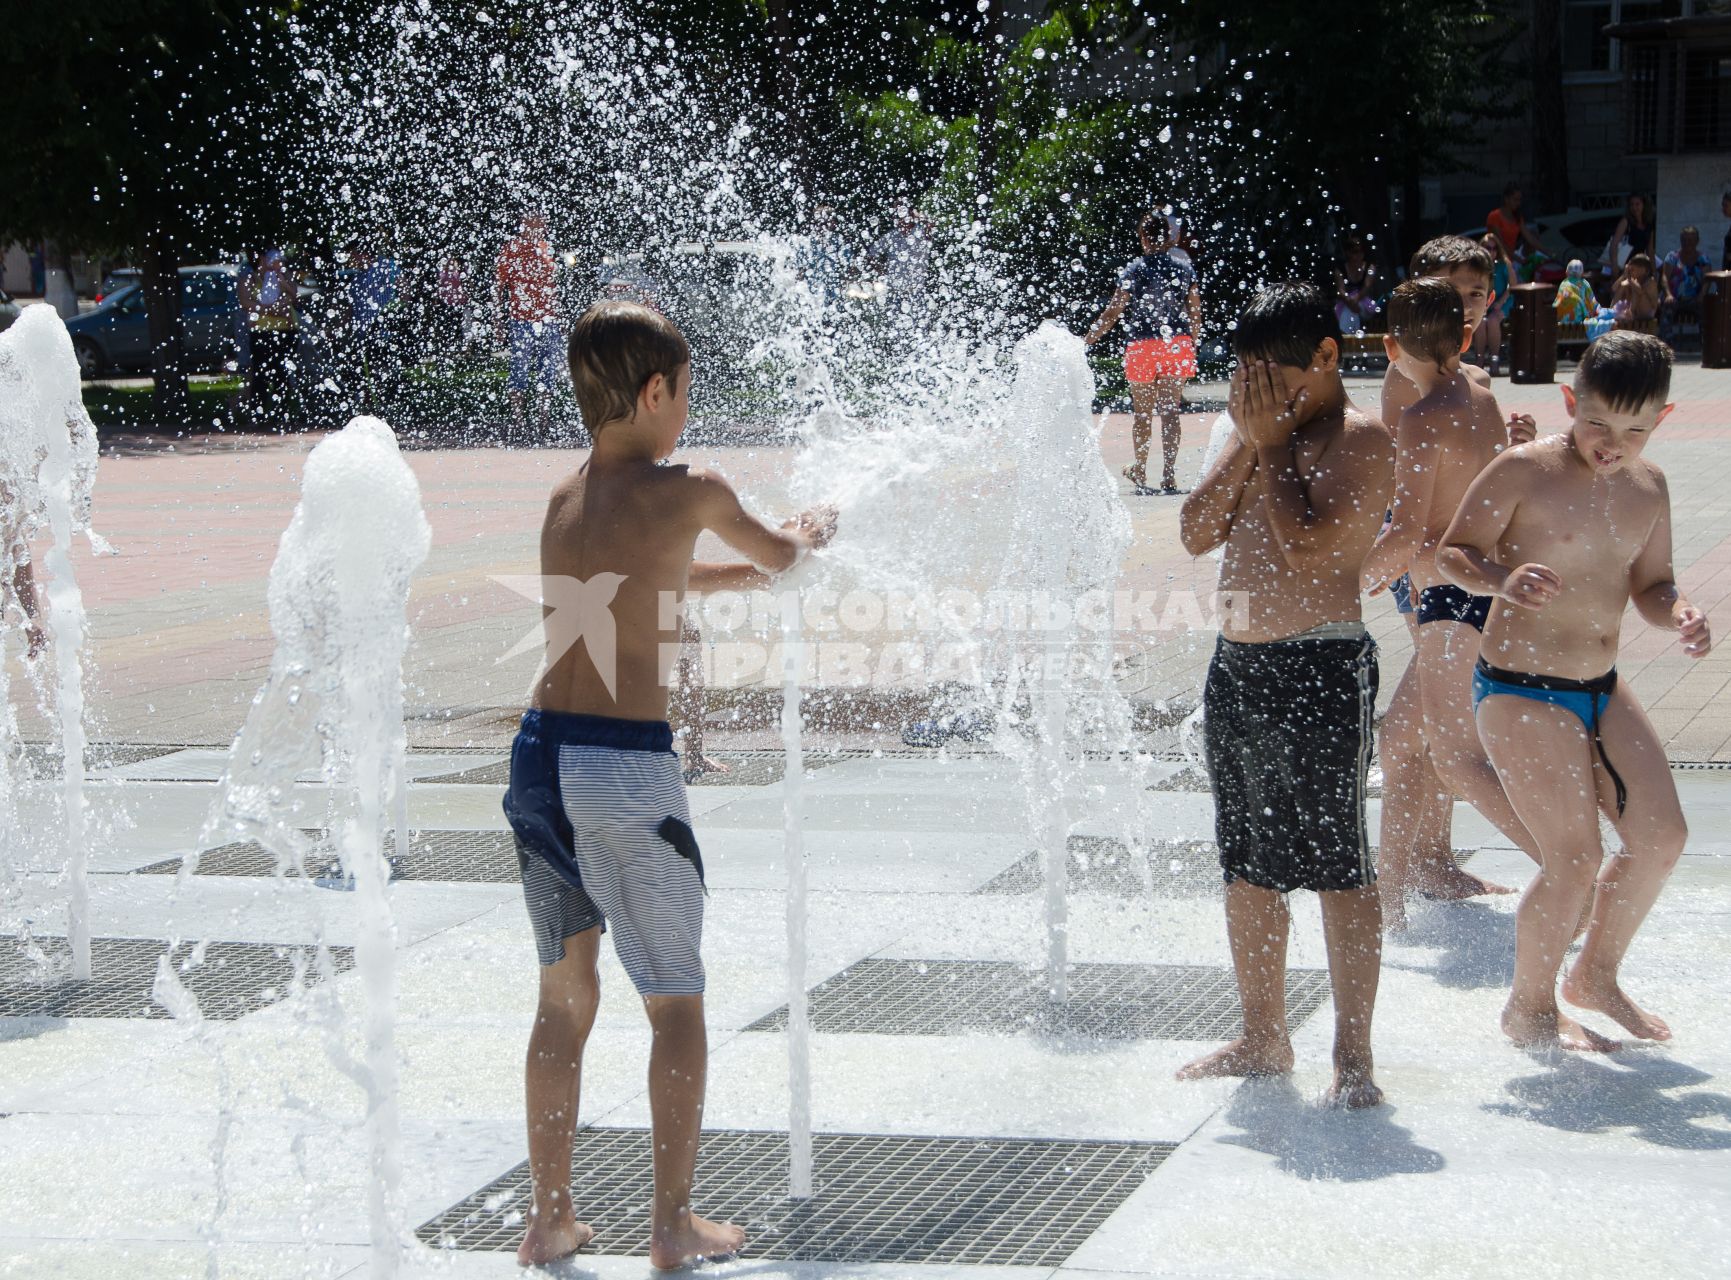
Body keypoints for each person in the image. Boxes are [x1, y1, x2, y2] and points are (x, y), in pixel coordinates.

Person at [501, 299, 834, 1267]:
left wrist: (747, 570)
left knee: (564, 1000)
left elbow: (647, 582)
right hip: (621, 768)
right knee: (674, 999)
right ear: (656, 391)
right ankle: (671, 1224)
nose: (687, 411)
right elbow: (785, 560)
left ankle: (550, 1215)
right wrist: (807, 532)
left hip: (538, 759)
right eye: (685, 392)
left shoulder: (567, 498)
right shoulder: (694, 485)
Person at [1437, 332, 1708, 1051]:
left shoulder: (1648, 487)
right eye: (1596, 423)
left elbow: (1651, 587)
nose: (1611, 443)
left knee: (1660, 838)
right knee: (1574, 859)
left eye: (1633, 429)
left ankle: (1593, 975)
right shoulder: (1523, 471)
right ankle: (1527, 1009)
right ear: (1568, 401)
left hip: (1599, 683)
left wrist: (1677, 613)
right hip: (1519, 687)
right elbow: (1452, 551)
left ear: (1662, 419)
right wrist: (1500, 578)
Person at [1175, 282, 1394, 1108]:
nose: (1259, 398)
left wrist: (1266, 445)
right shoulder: (1255, 433)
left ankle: (1353, 1053)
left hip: (1321, 668)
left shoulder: (1363, 443)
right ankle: (1263, 1035)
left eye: (1275, 381)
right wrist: (1251, 440)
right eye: (1247, 381)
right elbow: (1195, 535)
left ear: (1327, 357)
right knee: (1246, 867)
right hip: (1237, 669)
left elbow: (1309, 552)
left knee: (1341, 867)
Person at [1362, 277, 1545, 904]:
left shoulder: (1420, 416)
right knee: (1398, 742)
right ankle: (1389, 904)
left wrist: (1351, 578)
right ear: (1464, 338)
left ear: (1391, 347)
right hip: (1478, 595)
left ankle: (1574, 871)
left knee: (1457, 761)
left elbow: (1410, 530)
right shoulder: (1481, 397)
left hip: (1446, 600)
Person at [1083, 204, 1203, 496]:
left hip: (1141, 347)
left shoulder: (1134, 270)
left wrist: (1087, 340)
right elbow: (1195, 312)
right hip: (1176, 344)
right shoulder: (1184, 268)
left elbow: (1113, 312)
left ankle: (1139, 468)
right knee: (1170, 412)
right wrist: (1192, 343)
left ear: (1143, 238)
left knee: (1143, 414)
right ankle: (1169, 475)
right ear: (1169, 238)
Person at [496, 212, 564, 439]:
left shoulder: (547, 248)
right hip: (521, 320)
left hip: (548, 319)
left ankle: (543, 422)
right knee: (519, 370)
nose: (539, 228)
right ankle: (519, 422)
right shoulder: (511, 249)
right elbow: (498, 286)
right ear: (524, 225)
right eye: (534, 224)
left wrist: (558, 316)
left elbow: (553, 287)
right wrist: (498, 320)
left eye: (542, 224)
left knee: (548, 370)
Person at [236, 248, 300, 423]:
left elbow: (294, 297)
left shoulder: (284, 276)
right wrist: (272, 311)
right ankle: (258, 414)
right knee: (261, 373)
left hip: (286, 330)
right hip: (261, 331)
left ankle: (282, 413)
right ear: (262, 259)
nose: (276, 262)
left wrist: (283, 281)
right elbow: (245, 301)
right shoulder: (249, 278)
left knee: (283, 372)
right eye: (272, 259)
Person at [346, 242, 399, 412]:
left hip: (382, 327)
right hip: (362, 330)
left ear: (363, 255)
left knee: (380, 367)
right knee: (364, 368)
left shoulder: (385, 267)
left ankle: (384, 401)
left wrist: (394, 313)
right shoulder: (357, 277)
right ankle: (369, 402)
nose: (351, 260)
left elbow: (404, 289)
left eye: (354, 255)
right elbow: (352, 307)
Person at [1470, 234, 1513, 376]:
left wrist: (1500, 303)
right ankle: (1480, 359)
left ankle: (1495, 360)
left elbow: (1512, 286)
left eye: (1494, 248)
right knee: (1481, 322)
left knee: (1493, 320)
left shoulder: (1503, 264)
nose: (1491, 251)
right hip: (1483, 303)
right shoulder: (1476, 266)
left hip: (1503, 301)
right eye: (1488, 248)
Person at [1660, 225, 1712, 337]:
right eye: (1685, 240)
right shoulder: (1672, 257)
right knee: (1666, 308)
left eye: (1691, 240)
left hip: (1695, 298)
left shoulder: (1703, 258)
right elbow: (1664, 277)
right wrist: (1668, 294)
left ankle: (1706, 344)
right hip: (1675, 298)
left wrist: (1702, 295)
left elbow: (1707, 280)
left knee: (1707, 309)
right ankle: (1666, 343)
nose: (1688, 243)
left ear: (1697, 241)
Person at [1486, 182, 1546, 266]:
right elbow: (1500, 244)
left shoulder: (1517, 218)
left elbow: (1531, 239)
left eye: (1520, 200)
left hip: (1509, 262)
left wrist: (1549, 253)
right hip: (1495, 262)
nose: (1518, 203)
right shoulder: (1494, 216)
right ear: (1506, 199)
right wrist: (1520, 260)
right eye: (1515, 199)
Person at [1333, 236, 1381, 336]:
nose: (1359, 255)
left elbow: (1366, 287)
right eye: (1355, 252)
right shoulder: (1340, 269)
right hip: (1346, 303)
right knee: (1351, 311)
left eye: (1361, 251)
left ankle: (1346, 337)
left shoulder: (1369, 267)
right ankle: (1352, 337)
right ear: (1348, 253)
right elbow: (1341, 291)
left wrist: (1354, 301)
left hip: (1366, 305)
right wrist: (1350, 302)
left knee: (1353, 309)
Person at [1603, 192, 1655, 280]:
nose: (1634, 207)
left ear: (1644, 205)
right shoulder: (1626, 222)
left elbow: (1650, 250)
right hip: (1625, 267)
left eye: (1637, 204)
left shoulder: (1649, 225)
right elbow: (1614, 244)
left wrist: (1653, 271)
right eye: (1632, 204)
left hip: (1640, 267)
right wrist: (1614, 265)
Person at [1612, 253, 1661, 332]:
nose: (1633, 272)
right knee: (1623, 286)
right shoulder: (1633, 280)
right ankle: (1613, 311)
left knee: (1636, 289)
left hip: (1647, 312)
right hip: (1635, 312)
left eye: (1635, 269)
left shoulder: (1651, 281)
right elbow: (1614, 288)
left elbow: (1639, 290)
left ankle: (1630, 313)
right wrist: (1624, 276)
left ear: (1646, 271)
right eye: (1632, 269)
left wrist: (1629, 280)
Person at [1554, 258, 1595, 327]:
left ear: (1566, 273)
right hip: (1581, 318)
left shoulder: (1564, 283)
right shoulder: (1585, 283)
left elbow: (1558, 299)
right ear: (1582, 274)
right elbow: (1591, 300)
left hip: (1563, 319)